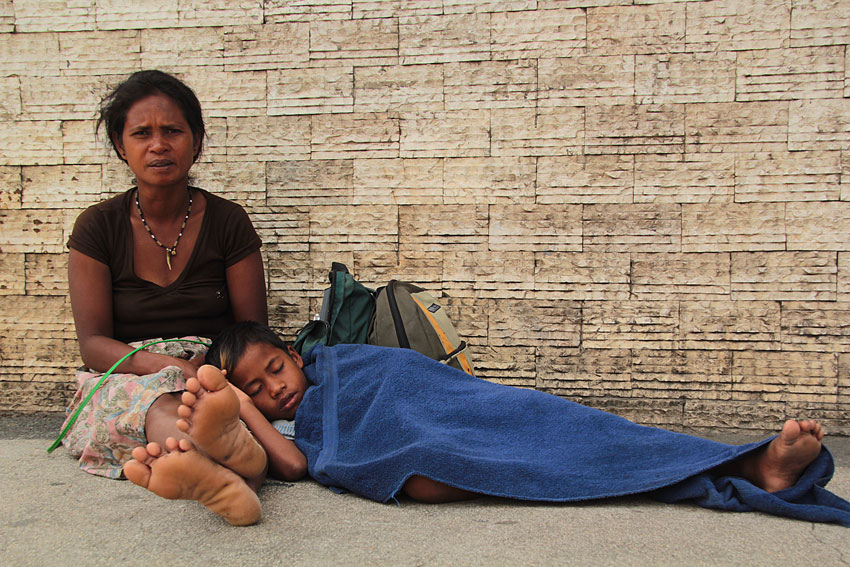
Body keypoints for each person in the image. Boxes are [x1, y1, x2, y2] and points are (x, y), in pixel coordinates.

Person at [125, 321, 850, 527]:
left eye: (274, 373)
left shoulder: (344, 362)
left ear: (295, 352)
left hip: (457, 406)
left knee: (554, 423)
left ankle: (751, 462)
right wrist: (244, 407)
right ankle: (749, 470)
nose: (274, 391)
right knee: (444, 464)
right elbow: (290, 464)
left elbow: (420, 382)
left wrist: (239, 395)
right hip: (405, 445)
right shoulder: (296, 427)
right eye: (254, 392)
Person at [61, 70, 268, 525]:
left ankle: (216, 460)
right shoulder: (97, 228)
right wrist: (164, 367)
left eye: (172, 131)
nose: (158, 144)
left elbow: (252, 334)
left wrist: (214, 378)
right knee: (157, 402)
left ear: (196, 141)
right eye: (142, 133)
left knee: (203, 402)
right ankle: (224, 463)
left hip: (211, 370)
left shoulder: (229, 221)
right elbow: (93, 343)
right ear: (121, 145)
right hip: (126, 369)